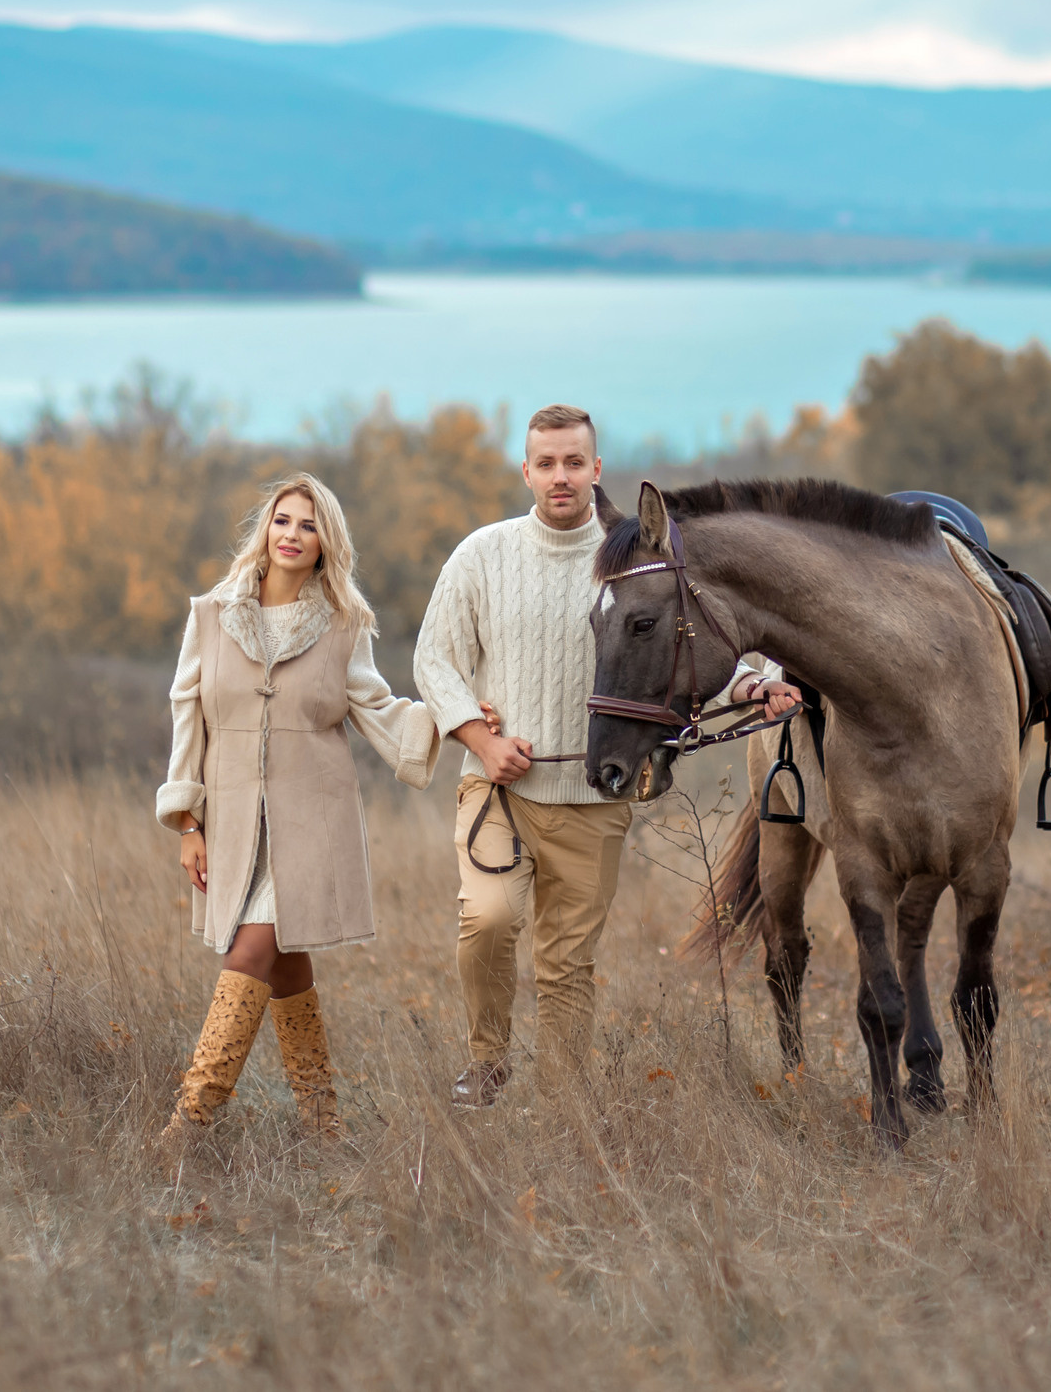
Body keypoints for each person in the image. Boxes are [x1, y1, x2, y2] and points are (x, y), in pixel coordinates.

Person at [413, 404, 799, 1107]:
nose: (561, 476)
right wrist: (479, 738)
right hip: (498, 790)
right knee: (488, 919)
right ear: (526, 471)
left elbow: (681, 654)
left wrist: (755, 684)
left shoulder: (635, 559)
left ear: (596, 468)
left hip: (595, 797)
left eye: (574, 462)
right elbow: (433, 661)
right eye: (546, 463)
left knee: (567, 960)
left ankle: (565, 1101)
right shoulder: (483, 553)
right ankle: (487, 1061)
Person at [153, 473, 436, 1150]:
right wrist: (186, 821)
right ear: (266, 529)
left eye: (308, 525)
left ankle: (187, 1125)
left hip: (313, 821)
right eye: (283, 520)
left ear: (324, 543)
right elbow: (186, 714)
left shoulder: (343, 626)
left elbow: (378, 708)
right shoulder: (211, 615)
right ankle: (325, 1125)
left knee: (253, 948)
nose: (292, 533)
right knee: (287, 961)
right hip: (230, 827)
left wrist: (456, 718)